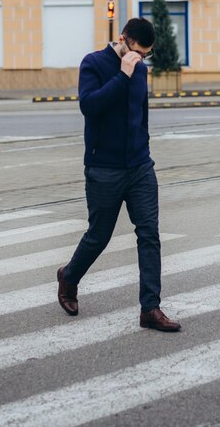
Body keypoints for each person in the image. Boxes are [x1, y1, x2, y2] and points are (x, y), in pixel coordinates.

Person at [57, 18, 181, 332]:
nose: (140, 59)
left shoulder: (140, 69)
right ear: (122, 39)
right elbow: (90, 106)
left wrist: (145, 149)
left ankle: (150, 309)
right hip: (104, 169)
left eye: (145, 55)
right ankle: (69, 277)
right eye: (137, 52)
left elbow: (142, 115)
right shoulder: (94, 64)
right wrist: (122, 75)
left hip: (139, 167)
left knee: (149, 235)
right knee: (99, 236)